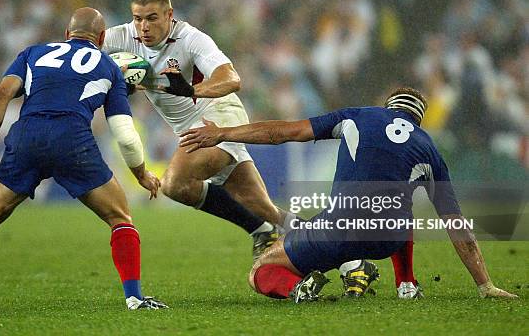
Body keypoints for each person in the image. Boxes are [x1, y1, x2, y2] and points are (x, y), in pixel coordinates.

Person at [0, 8, 168, 311]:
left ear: (67, 34)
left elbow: (0, 94)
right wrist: (142, 175)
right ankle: (134, 298)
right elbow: (126, 135)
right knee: (120, 219)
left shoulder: (32, 53)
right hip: (72, 141)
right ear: (102, 38)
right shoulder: (109, 67)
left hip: (27, 136)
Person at [179, 87, 518, 301]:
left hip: (339, 229)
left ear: (387, 107)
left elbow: (284, 132)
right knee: (398, 201)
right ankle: (406, 284)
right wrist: (484, 284)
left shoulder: (358, 116)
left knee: (261, 270)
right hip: (388, 240)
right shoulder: (429, 148)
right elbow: (458, 227)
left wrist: (224, 132)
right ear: (418, 120)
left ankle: (299, 289)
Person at [103, 0, 290, 260]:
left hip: (217, 117)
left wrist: (192, 90)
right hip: (188, 129)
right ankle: (348, 259)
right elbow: (81, 48)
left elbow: (231, 79)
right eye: (138, 18)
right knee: (263, 207)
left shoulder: (190, 39)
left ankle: (259, 229)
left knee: (174, 183)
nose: (143, 26)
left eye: (152, 18)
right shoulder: (122, 35)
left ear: (169, 15)